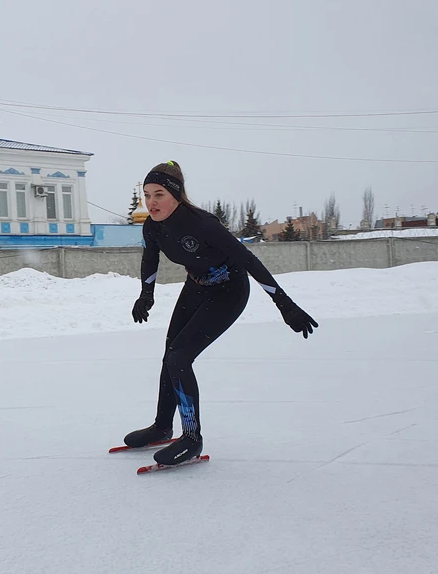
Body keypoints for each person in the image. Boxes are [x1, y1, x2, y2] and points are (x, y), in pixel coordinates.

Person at [125, 161, 318, 466]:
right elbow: (150, 258)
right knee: (170, 353)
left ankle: (192, 438)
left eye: (159, 194)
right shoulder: (152, 226)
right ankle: (162, 427)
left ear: (176, 195)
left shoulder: (202, 224)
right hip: (197, 286)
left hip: (229, 290)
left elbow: (249, 260)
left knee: (179, 357)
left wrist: (285, 304)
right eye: (147, 195)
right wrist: (146, 294)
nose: (151, 202)